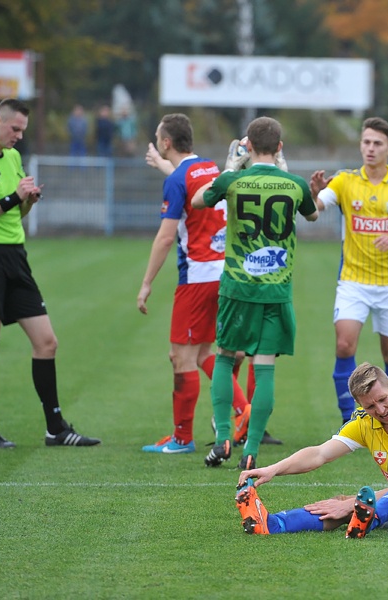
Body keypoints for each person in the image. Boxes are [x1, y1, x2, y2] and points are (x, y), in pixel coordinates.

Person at [0, 98, 101, 449]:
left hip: (16, 258)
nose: (19, 136)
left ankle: (56, 429)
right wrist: (10, 198)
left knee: (47, 341)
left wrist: (28, 201)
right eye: (15, 129)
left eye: (23, 131)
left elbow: (13, 216)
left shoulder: (15, 158)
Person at [191, 116, 319, 470]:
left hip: (237, 287)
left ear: (248, 146)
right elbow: (311, 216)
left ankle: (222, 441)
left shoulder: (233, 180)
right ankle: (251, 451)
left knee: (225, 358)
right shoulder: (294, 184)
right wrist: (286, 170)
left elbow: (200, 200)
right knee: (264, 370)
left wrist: (231, 165)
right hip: (275, 291)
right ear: (279, 146)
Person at [235, 362, 388, 538]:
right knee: (337, 505)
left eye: (382, 399)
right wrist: (273, 469)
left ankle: (368, 520)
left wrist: (353, 505)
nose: (380, 410)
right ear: (360, 404)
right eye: (370, 406)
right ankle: (270, 524)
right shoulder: (364, 421)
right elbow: (319, 454)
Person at [136, 113, 252, 454]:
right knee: (204, 352)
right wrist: (161, 165)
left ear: (166, 141)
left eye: (159, 137)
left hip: (196, 278)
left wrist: (146, 284)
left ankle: (182, 438)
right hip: (225, 274)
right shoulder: (211, 168)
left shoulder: (178, 179)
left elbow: (165, 237)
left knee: (180, 357)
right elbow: (191, 187)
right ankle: (242, 408)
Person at [309, 117, 388, 423]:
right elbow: (314, 211)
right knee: (344, 344)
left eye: (377, 143)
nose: (370, 149)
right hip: (354, 281)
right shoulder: (345, 181)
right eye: (366, 142)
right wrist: (314, 194)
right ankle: (350, 420)